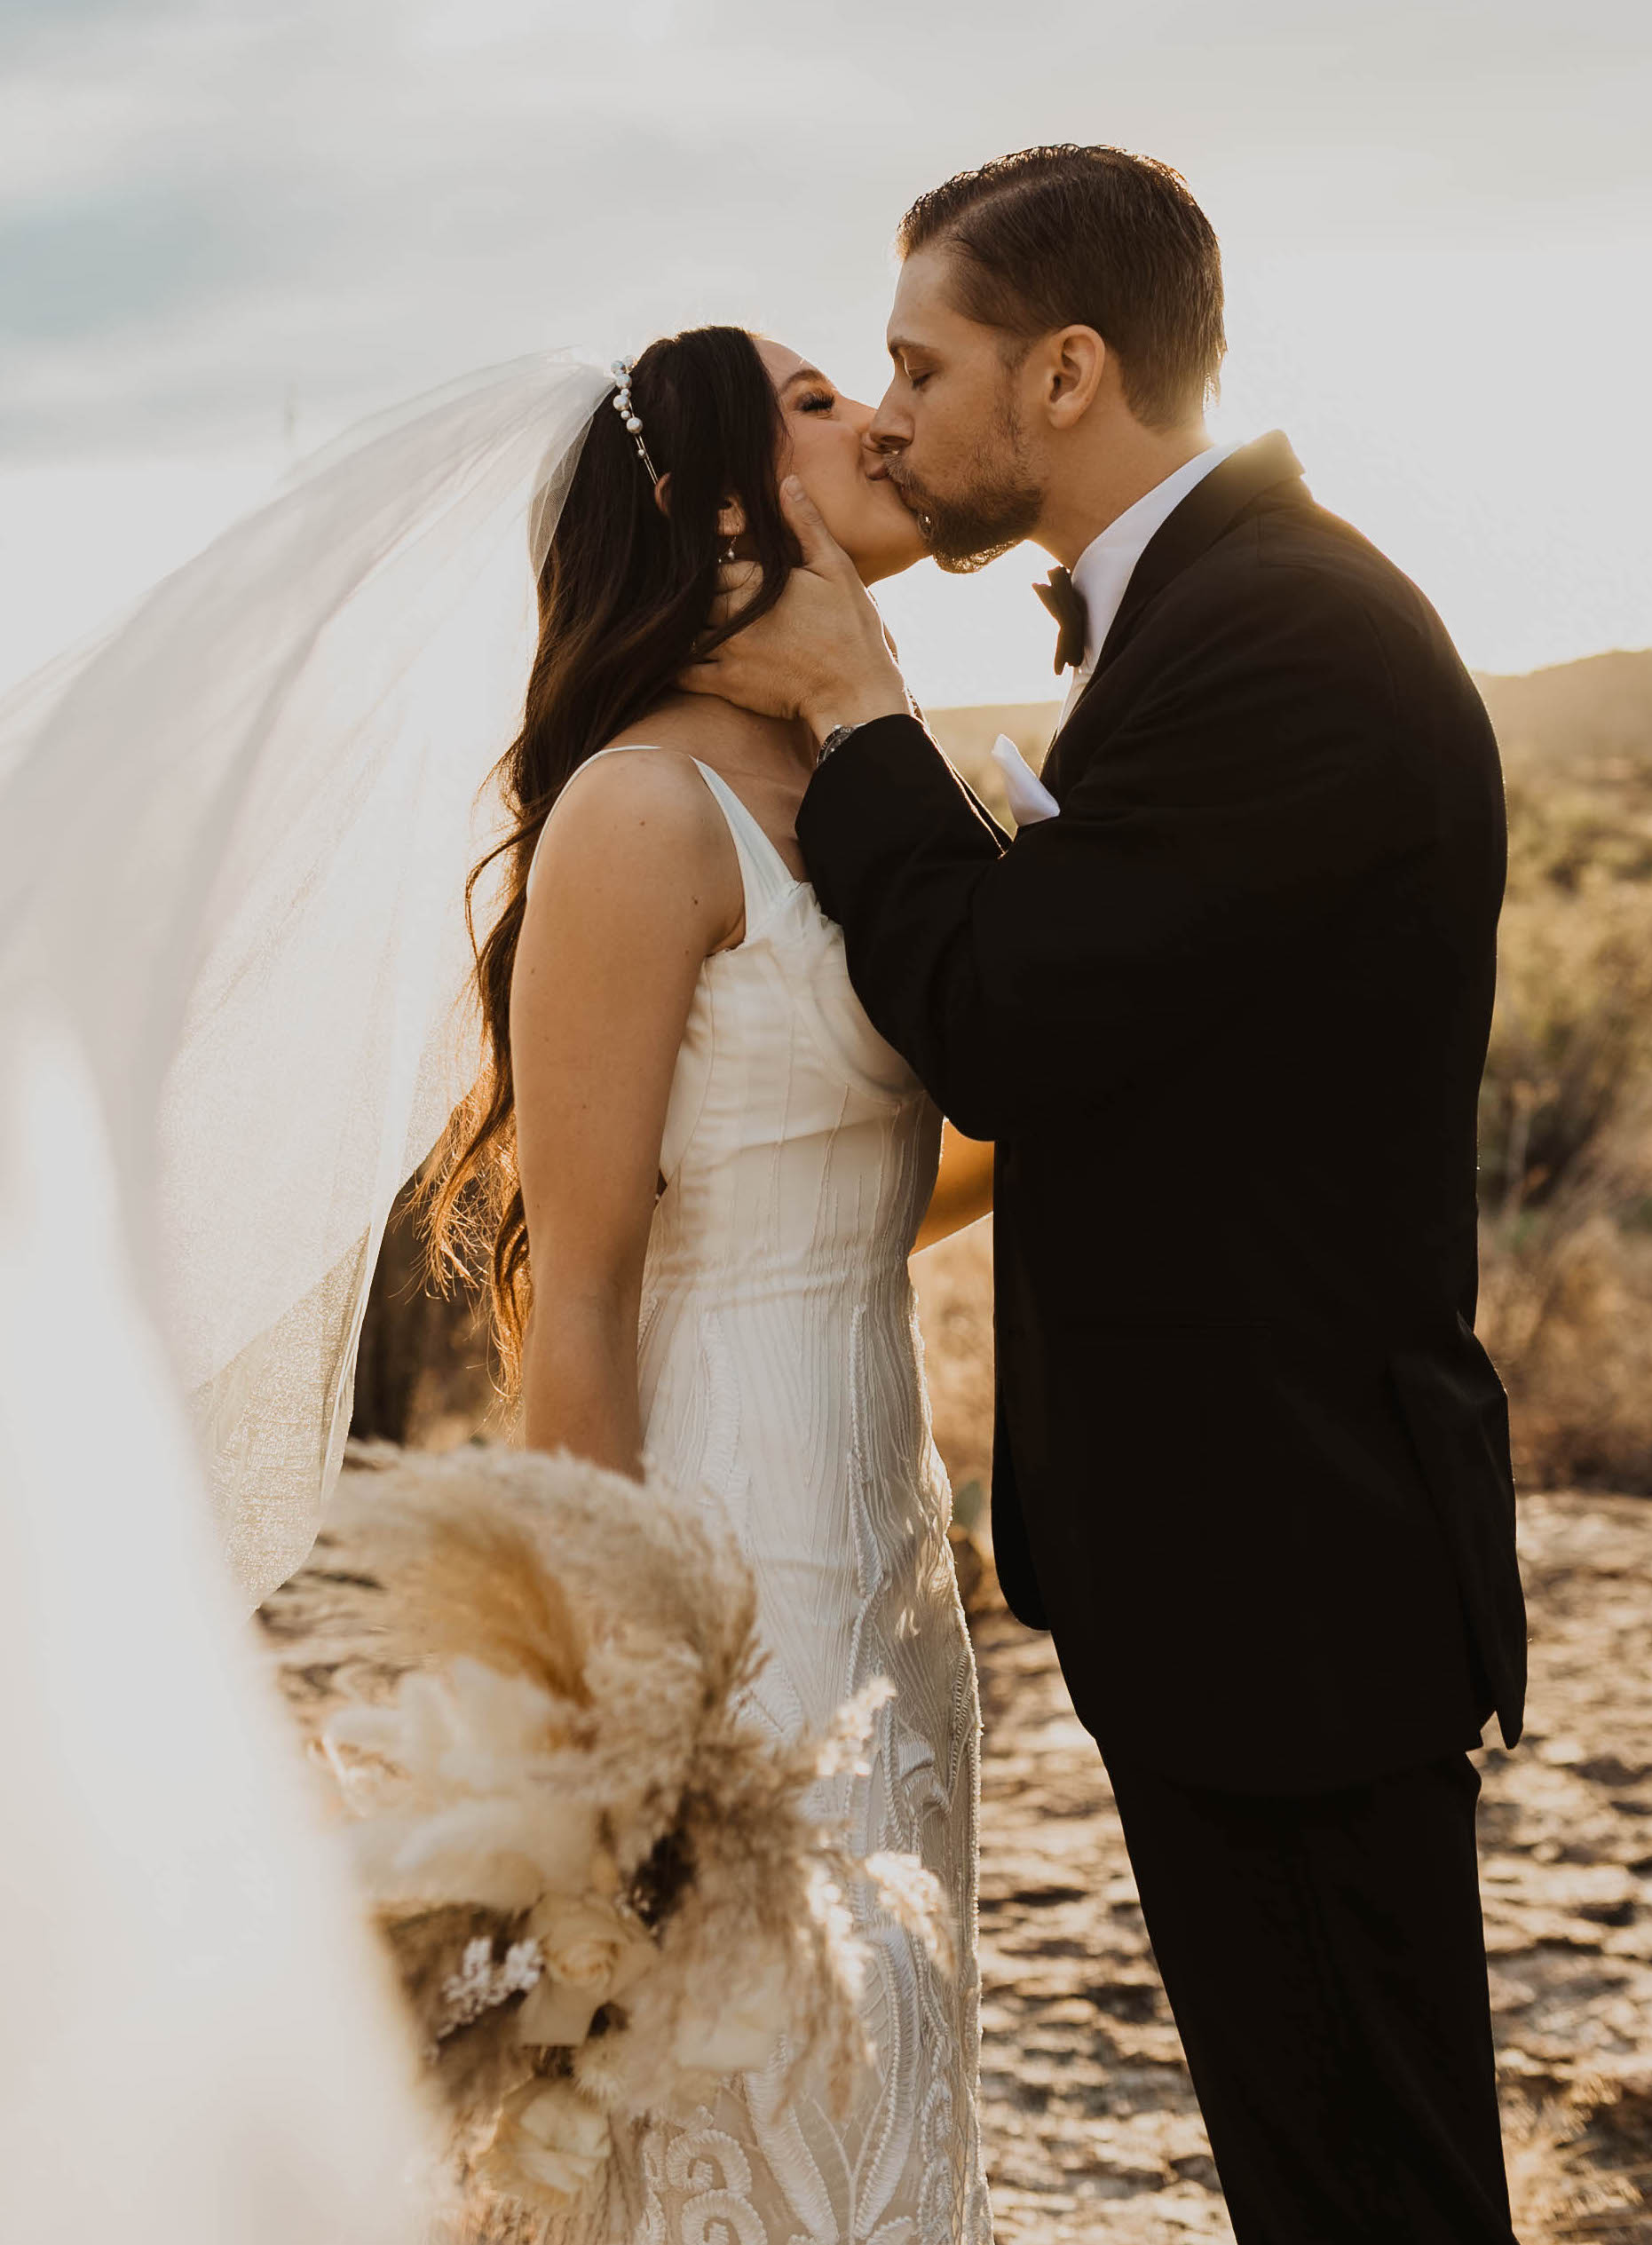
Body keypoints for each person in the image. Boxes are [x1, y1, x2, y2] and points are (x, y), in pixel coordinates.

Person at [685, 146, 1529, 2245]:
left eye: (917, 361)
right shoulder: (1205, 616)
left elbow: (1000, 1012)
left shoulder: (1285, 640)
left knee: (1366, 2182)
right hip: (1240, 1572)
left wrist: (854, 704)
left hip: (1298, 1573)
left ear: (1064, 373)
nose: (884, 417)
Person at [422, 326, 994, 2245]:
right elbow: (578, 1287)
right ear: (725, 500)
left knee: (877, 2080)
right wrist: (606, 1726)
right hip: (719, 1552)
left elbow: (857, 1180)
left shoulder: (855, 774)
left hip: (889, 1552)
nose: (879, 421)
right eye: (821, 399)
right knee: (734, 2091)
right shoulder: (641, 809)